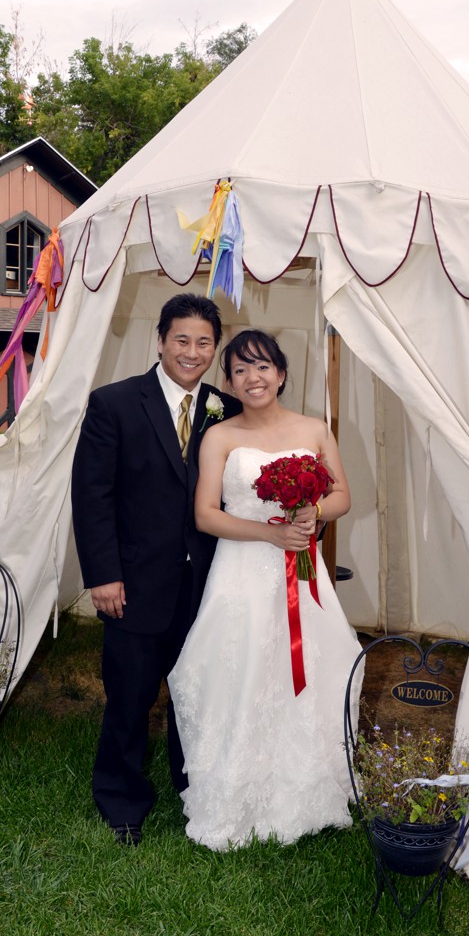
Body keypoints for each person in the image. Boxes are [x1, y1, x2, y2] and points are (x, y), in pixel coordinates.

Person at [168, 329, 363, 850]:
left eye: (262, 367)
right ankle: (234, 789)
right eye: (239, 370)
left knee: (308, 671)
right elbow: (206, 515)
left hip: (301, 571)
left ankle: (302, 791)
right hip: (241, 572)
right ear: (228, 379)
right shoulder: (220, 436)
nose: (251, 378)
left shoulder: (314, 429)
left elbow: (342, 494)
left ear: (280, 373)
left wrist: (312, 512)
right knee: (242, 669)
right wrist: (269, 533)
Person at [70, 293, 240, 846]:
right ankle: (121, 799)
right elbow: (92, 496)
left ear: (215, 348)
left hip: (208, 586)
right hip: (135, 582)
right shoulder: (113, 403)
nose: (193, 352)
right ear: (161, 339)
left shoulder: (227, 409)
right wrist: (102, 576)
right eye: (182, 340)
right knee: (130, 695)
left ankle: (194, 791)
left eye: (204, 343)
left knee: (197, 694)